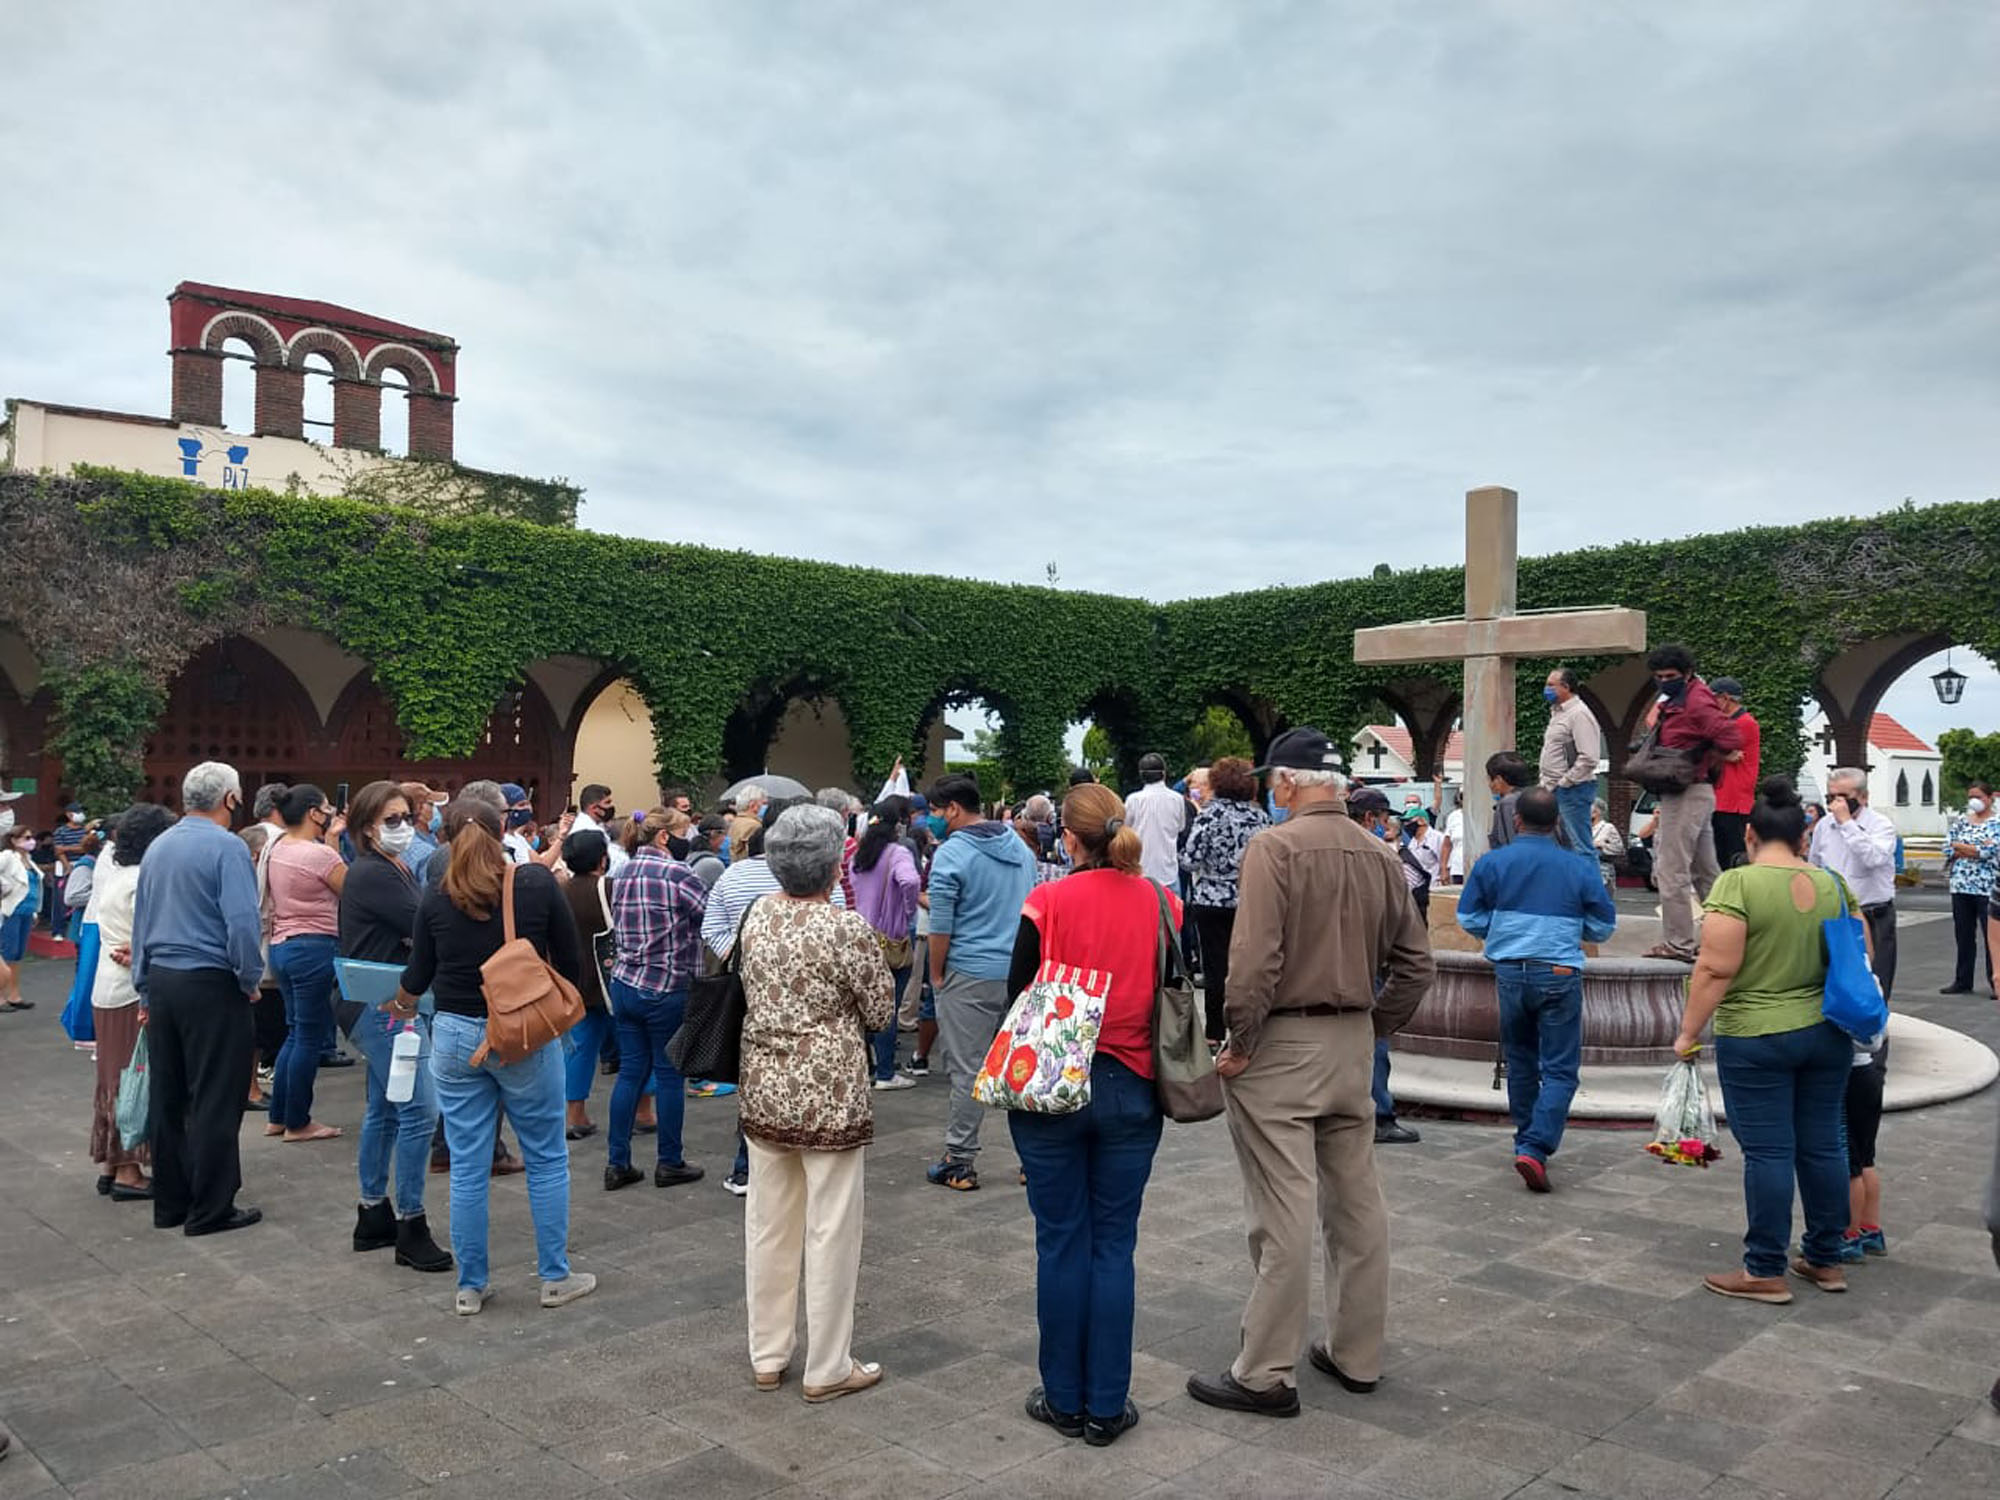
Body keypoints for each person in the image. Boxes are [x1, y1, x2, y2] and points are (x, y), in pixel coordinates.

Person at [1188, 729, 1433, 1418]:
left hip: (1283, 1043)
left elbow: (1254, 961)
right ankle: (1358, 1353)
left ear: (1289, 784)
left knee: (1282, 1206)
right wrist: (1374, 1027)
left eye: (1276, 782)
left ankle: (1265, 1369)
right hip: (1351, 1043)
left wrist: (1239, 1038)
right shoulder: (1381, 854)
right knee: (1357, 1202)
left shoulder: (1275, 847)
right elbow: (1418, 965)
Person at [1008, 784, 1172, 1446]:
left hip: (1053, 1082)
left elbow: (1017, 993)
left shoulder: (1048, 901)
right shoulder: (1165, 903)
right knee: (1114, 1244)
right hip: (1132, 1083)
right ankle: (1107, 1404)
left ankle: (1063, 1396)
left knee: (1060, 1240)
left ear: (1068, 839)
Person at [398, 799, 591, 1315]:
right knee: (547, 1157)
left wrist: (397, 1001)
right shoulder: (534, 884)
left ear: (442, 836)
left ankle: (470, 1284)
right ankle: (554, 1276)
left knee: (466, 1164)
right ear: (503, 828)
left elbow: (417, 977)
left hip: (456, 1035)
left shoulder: (436, 898)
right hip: (522, 1031)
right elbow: (569, 958)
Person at [1674, 777, 1856, 1303]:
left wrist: (1688, 1032)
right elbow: (1856, 952)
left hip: (1756, 1035)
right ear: (1805, 836)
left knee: (1770, 1152)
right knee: (1823, 1144)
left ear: (1749, 834)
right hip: (1827, 1032)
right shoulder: (1832, 885)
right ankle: (1825, 1259)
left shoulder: (1739, 885)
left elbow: (1714, 967)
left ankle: (1764, 1269)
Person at [737, 805, 894, 1402]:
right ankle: (827, 1365)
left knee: (768, 1223)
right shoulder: (843, 928)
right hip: (829, 1092)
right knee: (831, 1228)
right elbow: (880, 1012)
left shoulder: (759, 917)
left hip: (765, 1085)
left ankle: (768, 1353)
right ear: (833, 866)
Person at [1457, 787, 1618, 1192]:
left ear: (1516, 821)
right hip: (1560, 971)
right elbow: (1603, 927)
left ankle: (1525, 1142)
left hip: (1510, 972)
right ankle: (1536, 1145)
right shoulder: (1580, 866)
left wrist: (1501, 932)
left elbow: (1468, 917)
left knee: (1521, 1060)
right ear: (1558, 822)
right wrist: (1569, 931)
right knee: (1561, 1068)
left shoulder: (1492, 862)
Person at [131, 761, 265, 1236]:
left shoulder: (159, 846)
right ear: (230, 799)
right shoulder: (228, 848)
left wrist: (143, 985)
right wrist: (249, 978)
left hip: (164, 978)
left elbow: (142, 921)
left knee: (169, 1096)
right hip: (210, 980)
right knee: (215, 1096)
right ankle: (211, 1207)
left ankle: (171, 1203)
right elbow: (243, 925)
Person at [336, 780, 452, 1273]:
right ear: (367, 828)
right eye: (392, 819)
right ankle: (411, 1223)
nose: (404, 826)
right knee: (420, 1112)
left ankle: (373, 1213)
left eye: (406, 816)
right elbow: (424, 922)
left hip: (382, 1001)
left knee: (385, 1109)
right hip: (386, 1007)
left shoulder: (392, 866)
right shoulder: (373, 873)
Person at [924, 772, 1037, 1192]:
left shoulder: (952, 854)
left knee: (968, 1070)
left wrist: (936, 974)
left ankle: (959, 1160)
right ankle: (1034, 1159)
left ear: (952, 809)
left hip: (968, 973)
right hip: (1018, 972)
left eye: (934, 811)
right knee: (1018, 1068)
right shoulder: (1020, 848)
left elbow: (941, 923)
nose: (930, 819)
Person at [603, 806, 709, 1191]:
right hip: (665, 985)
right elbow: (709, 918)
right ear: (665, 837)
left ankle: (617, 1161)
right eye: (684, 829)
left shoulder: (621, 872)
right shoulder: (680, 874)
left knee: (630, 1072)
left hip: (625, 982)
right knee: (668, 1075)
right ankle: (670, 1160)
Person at [89, 806, 173, 1200]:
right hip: (130, 989)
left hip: (107, 988)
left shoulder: (116, 874)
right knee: (133, 1077)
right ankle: (128, 1170)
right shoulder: (144, 880)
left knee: (112, 1076)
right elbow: (151, 936)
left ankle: (111, 1162)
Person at [1639, 643, 1742, 962]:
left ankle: (1679, 942)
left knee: (1672, 869)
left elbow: (1730, 736)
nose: (1663, 680)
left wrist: (1702, 752)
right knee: (1705, 870)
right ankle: (1726, 936)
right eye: (1658, 676)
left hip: (1686, 789)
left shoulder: (1696, 700)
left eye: (1669, 675)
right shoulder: (1685, 695)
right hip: (1693, 789)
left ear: (1686, 673)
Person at [263, 784, 348, 1144]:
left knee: (295, 1032)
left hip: (282, 946)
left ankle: (279, 1116)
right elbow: (349, 888)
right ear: (314, 812)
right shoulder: (318, 856)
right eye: (326, 808)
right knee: (309, 1037)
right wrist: (335, 841)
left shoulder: (278, 848)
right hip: (314, 947)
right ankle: (298, 1120)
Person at [1345, 790, 1423, 1147]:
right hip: (1366, 957)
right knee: (1373, 1041)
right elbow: (1415, 959)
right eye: (1383, 818)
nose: (1388, 825)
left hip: (1326, 963)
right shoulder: (1378, 857)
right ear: (1369, 818)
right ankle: (1379, 1114)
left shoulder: (1331, 849)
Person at [1181, 756, 1269, 1044]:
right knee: (1246, 965)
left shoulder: (1210, 815)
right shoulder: (1260, 817)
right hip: (1250, 898)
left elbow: (1190, 860)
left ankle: (1215, 1031)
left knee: (1215, 967)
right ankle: (1246, 1027)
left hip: (1211, 900)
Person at [850, 797, 921, 1093]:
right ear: (899, 825)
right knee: (888, 1006)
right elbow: (910, 881)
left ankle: (864, 1067)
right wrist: (907, 910)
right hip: (890, 939)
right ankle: (886, 1071)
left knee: (861, 1005)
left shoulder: (860, 854)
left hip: (859, 936)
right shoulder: (898, 853)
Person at [1809, 767, 1898, 1000]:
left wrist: (1847, 823)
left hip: (1872, 912)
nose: (1837, 804)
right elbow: (1814, 865)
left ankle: (1878, 1027)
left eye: (1843, 798)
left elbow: (1873, 858)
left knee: (1877, 978)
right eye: (1831, 798)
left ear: (1863, 797)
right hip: (1836, 911)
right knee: (1835, 975)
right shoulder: (1823, 826)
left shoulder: (1881, 825)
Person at [559, 826, 620, 1140]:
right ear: (602, 858)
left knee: (579, 1047)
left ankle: (574, 1113)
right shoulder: (610, 888)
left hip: (573, 979)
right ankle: (643, 1109)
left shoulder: (560, 889)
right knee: (633, 1045)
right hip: (611, 977)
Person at [1942, 781, 1999, 995]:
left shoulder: (1997, 823)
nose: (1974, 801)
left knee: (1991, 936)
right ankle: (1962, 980)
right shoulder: (1962, 821)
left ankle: (1995, 981)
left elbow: (1989, 851)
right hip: (1961, 886)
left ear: (1989, 798)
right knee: (1963, 935)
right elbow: (1947, 847)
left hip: (1987, 887)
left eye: (1979, 797)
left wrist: (1963, 847)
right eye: (1970, 797)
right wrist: (1970, 849)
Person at [1539, 667, 1602, 856]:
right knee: (1559, 846)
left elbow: (1589, 757)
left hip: (1573, 790)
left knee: (1579, 846)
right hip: (1553, 788)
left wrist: (1565, 782)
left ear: (1565, 687)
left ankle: (1590, 886)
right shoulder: (1558, 713)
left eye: (1551, 685)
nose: (1546, 689)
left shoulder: (1579, 714)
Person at [1708, 678, 1761, 870]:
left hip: (1733, 800)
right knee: (1720, 856)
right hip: (1723, 798)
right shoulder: (1731, 721)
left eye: (1713, 698)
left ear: (1725, 698)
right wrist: (1721, 755)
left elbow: (1706, 744)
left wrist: (1715, 752)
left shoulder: (1744, 723)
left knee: (1731, 858)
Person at [1123, 752, 1186, 892]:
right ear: (1163, 774)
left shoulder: (1133, 800)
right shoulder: (1177, 799)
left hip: (1140, 872)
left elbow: (1124, 830)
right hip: (1168, 872)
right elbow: (1181, 827)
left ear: (1141, 775)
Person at [0, 803, 32, 1013]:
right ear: (14, 840)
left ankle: (14, 994)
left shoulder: (28, 859)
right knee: (6, 952)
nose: (31, 841)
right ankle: (1, 997)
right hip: (11, 910)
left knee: (18, 955)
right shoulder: (7, 857)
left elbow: (33, 886)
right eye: (26, 838)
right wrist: (7, 887)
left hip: (26, 910)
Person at [1483, 752, 1546, 852]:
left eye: (1490, 780)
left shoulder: (1508, 804)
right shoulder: (1541, 798)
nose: (1489, 785)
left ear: (1499, 780)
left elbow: (1509, 843)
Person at [571, 782, 628, 875]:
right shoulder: (587, 830)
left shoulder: (597, 826)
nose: (611, 806)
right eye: (607, 803)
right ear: (594, 808)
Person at [1589, 799, 1625, 889]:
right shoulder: (1583, 828)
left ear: (1596, 812)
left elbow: (1619, 848)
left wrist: (1602, 845)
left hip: (1603, 869)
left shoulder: (1607, 827)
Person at [727, 786, 769, 862]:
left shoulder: (736, 821)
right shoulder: (754, 826)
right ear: (753, 805)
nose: (766, 807)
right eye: (763, 803)